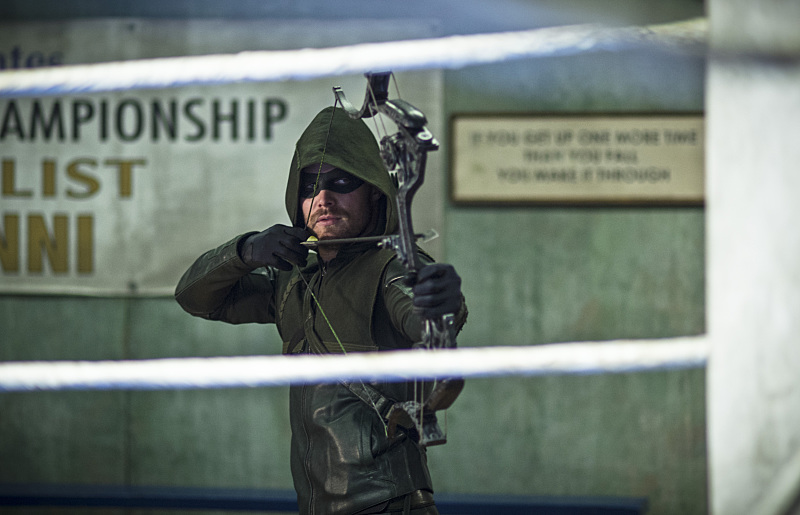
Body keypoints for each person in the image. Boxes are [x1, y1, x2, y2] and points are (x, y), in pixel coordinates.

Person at [175, 105, 468, 515]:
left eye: (342, 182)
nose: (323, 199)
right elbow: (194, 297)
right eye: (310, 185)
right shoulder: (294, 280)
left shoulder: (391, 268)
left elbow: (424, 321)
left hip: (388, 504)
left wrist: (441, 305)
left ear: (374, 189)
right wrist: (245, 251)